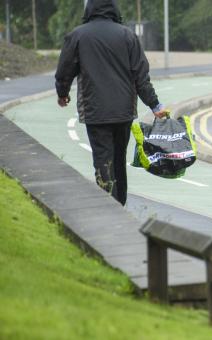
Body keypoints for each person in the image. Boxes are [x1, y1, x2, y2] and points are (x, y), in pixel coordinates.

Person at [55, 0, 168, 206]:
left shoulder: (78, 35)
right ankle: (120, 204)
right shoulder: (127, 36)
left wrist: (62, 94)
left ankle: (109, 204)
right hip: (123, 111)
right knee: (118, 159)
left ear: (89, 9)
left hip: (95, 111)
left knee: (102, 158)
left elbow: (65, 70)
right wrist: (155, 106)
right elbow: (140, 76)